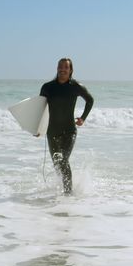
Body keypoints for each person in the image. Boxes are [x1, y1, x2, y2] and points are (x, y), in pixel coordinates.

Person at [39, 57, 94, 195]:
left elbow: (90, 100)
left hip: (69, 131)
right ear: (57, 68)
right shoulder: (47, 87)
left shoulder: (75, 87)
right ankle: (64, 187)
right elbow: (40, 109)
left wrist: (83, 118)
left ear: (70, 70)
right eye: (60, 67)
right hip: (52, 132)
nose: (62, 69)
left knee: (63, 160)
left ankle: (68, 194)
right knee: (58, 163)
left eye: (66, 67)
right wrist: (37, 128)